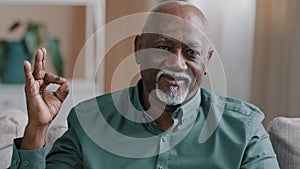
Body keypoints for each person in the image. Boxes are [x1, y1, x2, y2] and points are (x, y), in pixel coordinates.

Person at [10, 1, 279, 168]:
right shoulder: (88, 121)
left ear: (206, 61)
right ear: (138, 49)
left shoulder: (244, 130)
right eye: (163, 47)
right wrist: (37, 128)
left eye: (191, 53)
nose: (177, 63)